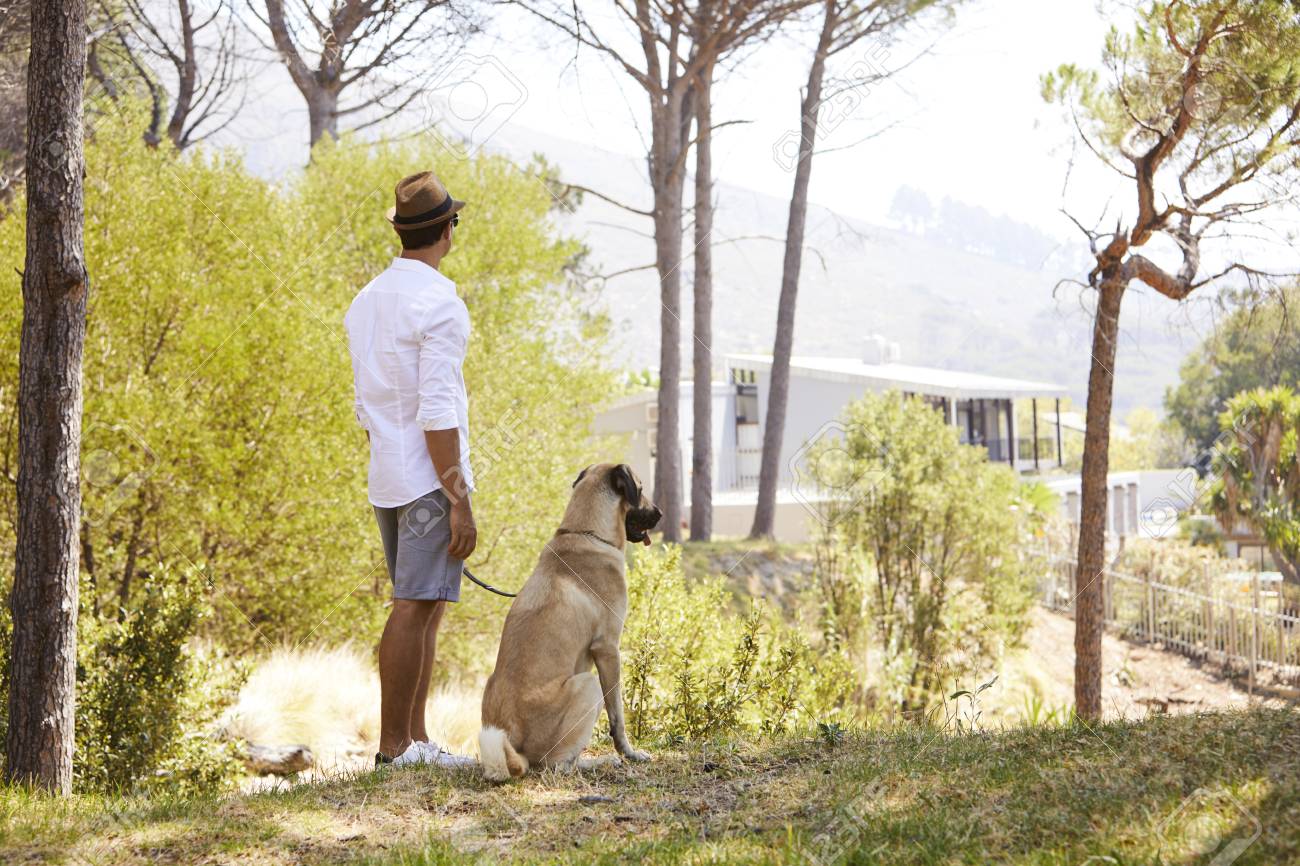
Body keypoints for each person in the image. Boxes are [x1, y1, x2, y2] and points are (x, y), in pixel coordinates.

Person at [344, 171, 478, 768]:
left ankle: (414, 743)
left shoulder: (365, 301)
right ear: (448, 230)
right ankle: (395, 746)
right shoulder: (441, 304)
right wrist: (459, 498)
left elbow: (363, 404)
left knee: (425, 603)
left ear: (401, 232)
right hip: (429, 478)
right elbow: (437, 411)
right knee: (413, 605)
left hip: (387, 474)